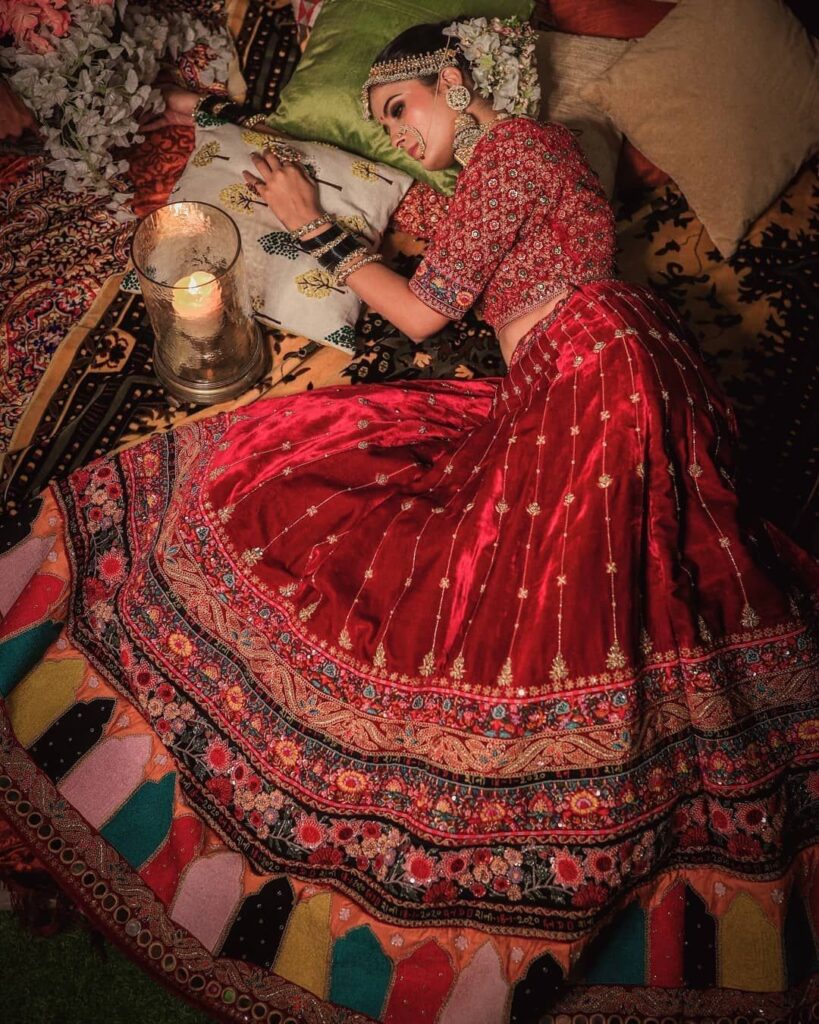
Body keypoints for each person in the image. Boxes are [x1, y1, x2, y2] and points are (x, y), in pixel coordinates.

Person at [1, 16, 818, 1021]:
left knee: (550, 610)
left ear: (456, 79)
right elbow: (434, 273)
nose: (395, 132)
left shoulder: (516, 148)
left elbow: (425, 313)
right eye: (382, 120)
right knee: (574, 568)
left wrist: (308, 225)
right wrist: (206, 119)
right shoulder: (510, 175)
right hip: (585, 370)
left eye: (400, 108)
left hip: (595, 368)